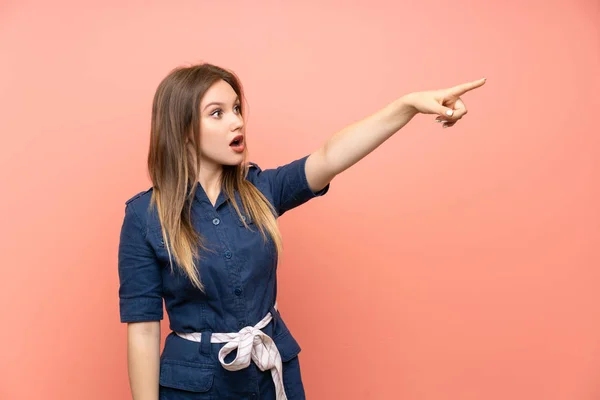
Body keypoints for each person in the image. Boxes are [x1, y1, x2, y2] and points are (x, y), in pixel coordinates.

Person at [118, 63, 486, 400]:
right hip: (195, 387)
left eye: (237, 109)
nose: (237, 122)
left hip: (271, 372)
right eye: (217, 113)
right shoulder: (143, 217)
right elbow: (144, 331)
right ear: (182, 132)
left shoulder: (261, 190)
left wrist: (407, 106)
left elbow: (329, 156)